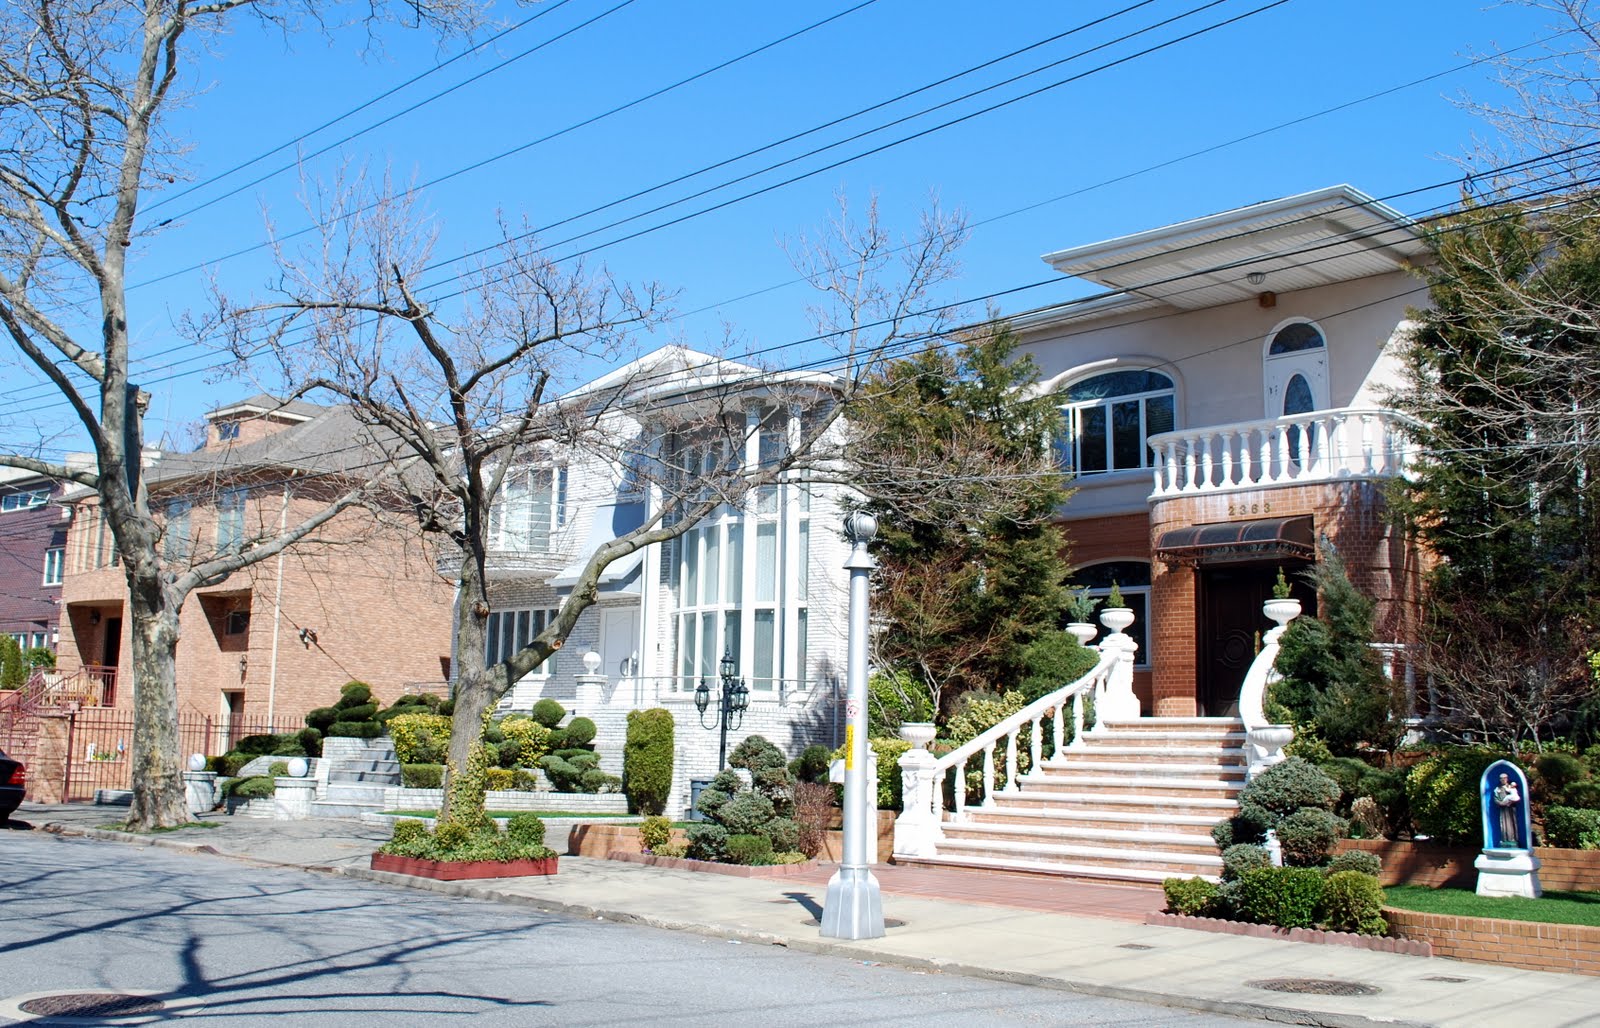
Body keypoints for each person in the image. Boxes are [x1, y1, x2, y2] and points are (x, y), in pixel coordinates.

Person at [1493, 772, 1522, 849]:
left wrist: (1510, 802)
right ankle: (1504, 839)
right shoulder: (1497, 788)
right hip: (1503, 809)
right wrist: (1500, 803)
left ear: (1507, 779)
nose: (1503, 780)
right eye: (1501, 778)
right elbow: (1495, 798)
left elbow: (1516, 797)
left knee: (1512, 823)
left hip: (1511, 808)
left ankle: (1513, 839)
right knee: (1503, 823)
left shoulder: (1511, 787)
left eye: (1504, 778)